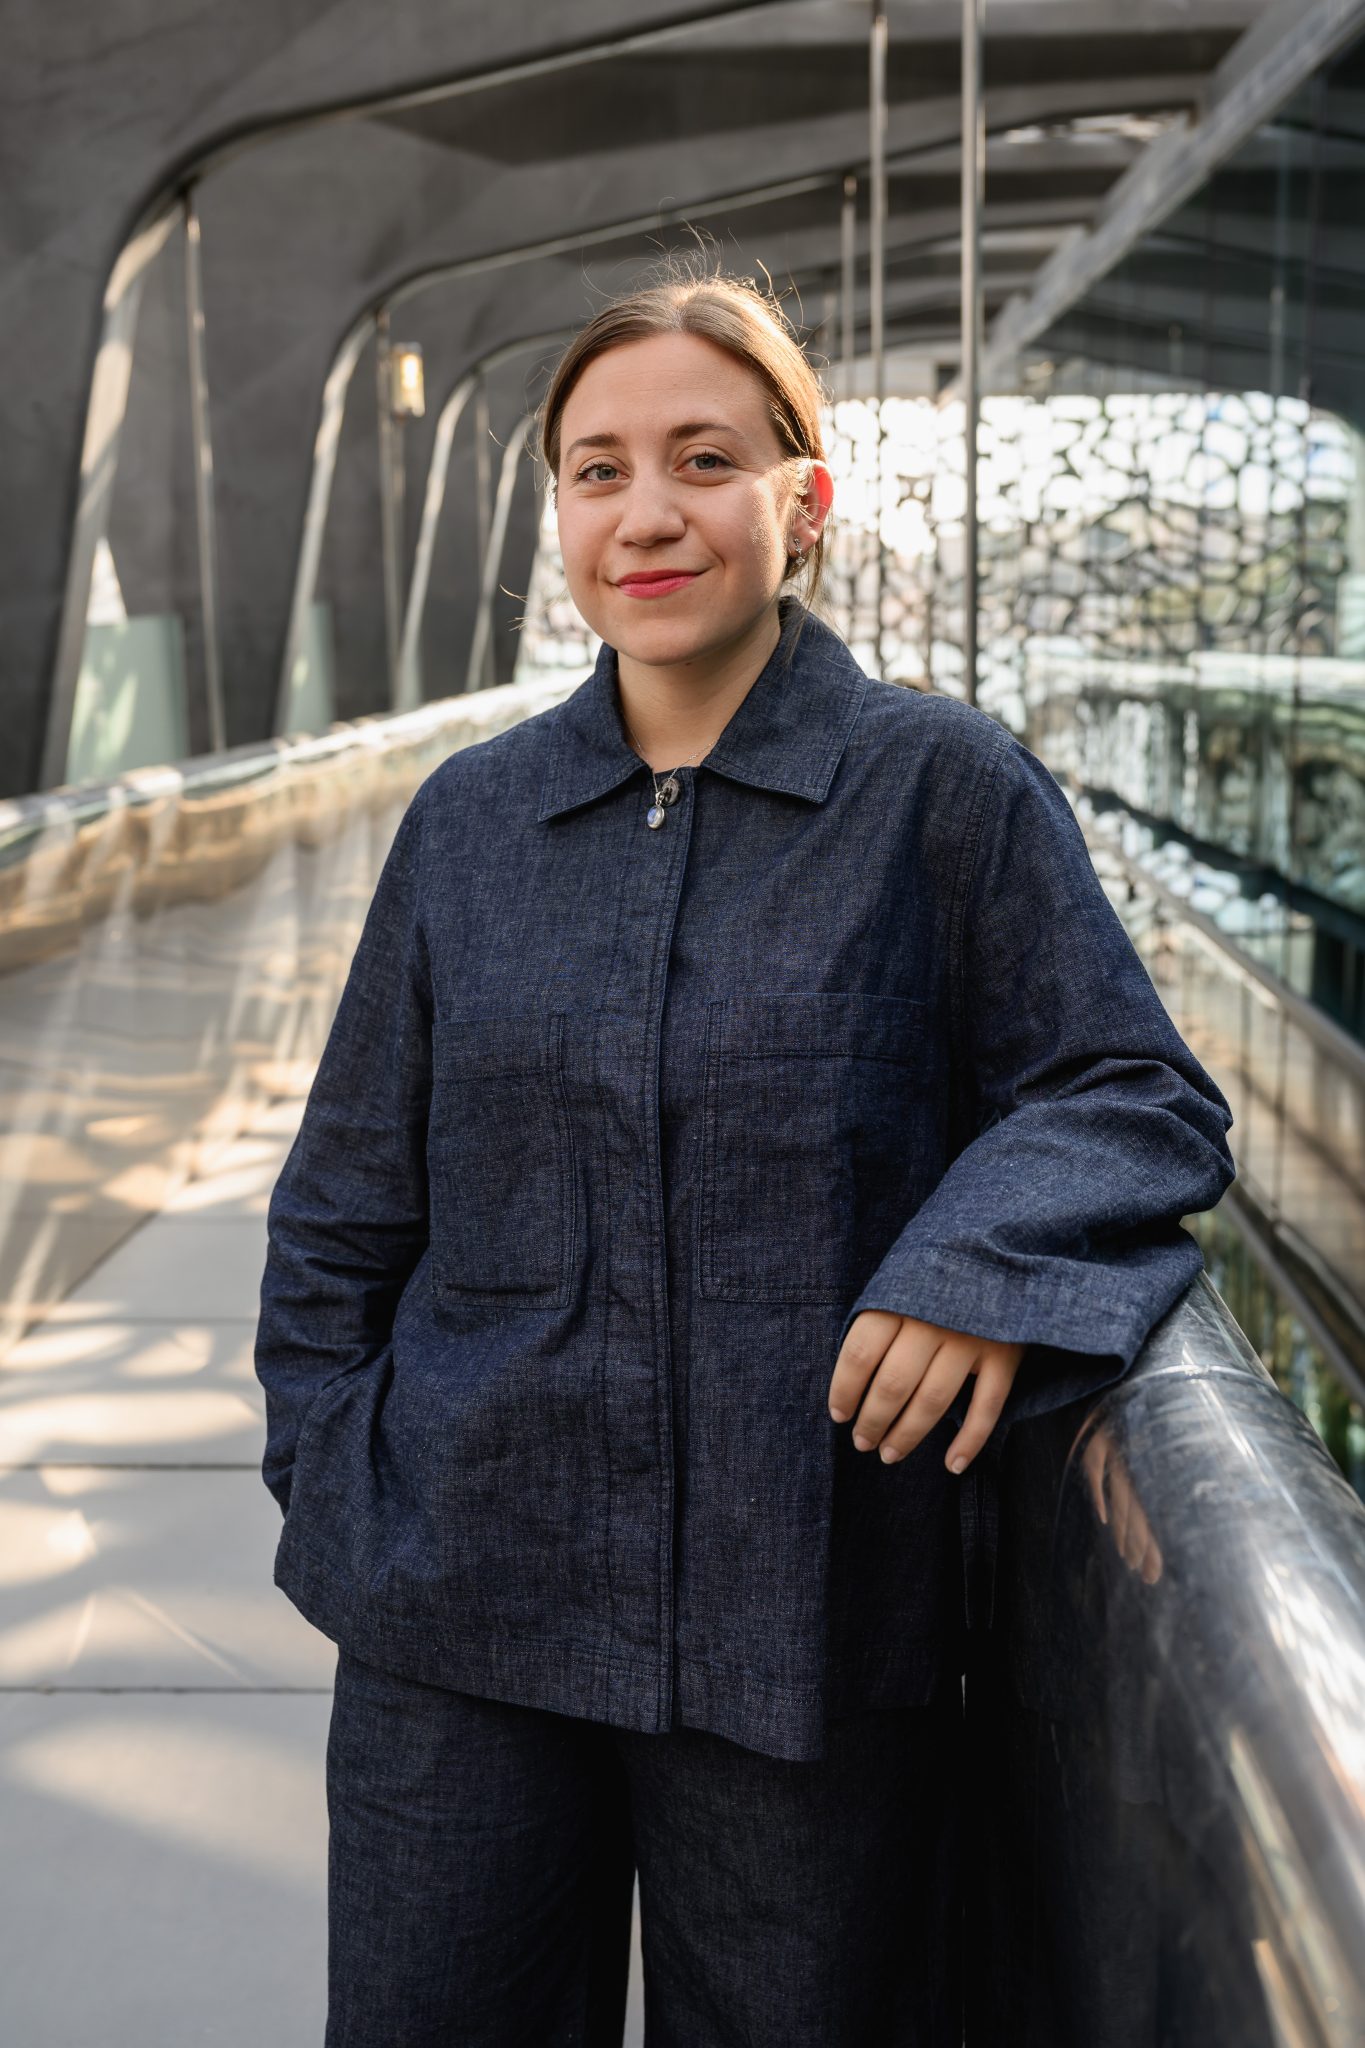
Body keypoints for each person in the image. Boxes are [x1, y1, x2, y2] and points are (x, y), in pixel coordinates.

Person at [254, 261, 1236, 2047]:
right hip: (456, 1604)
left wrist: (973, 1266)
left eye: (703, 460)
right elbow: (342, 1204)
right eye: (597, 470)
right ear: (558, 513)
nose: (646, 514)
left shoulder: (937, 791)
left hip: (806, 1619)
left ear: (803, 499)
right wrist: (335, 1472)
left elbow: (1127, 1091)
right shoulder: (470, 824)